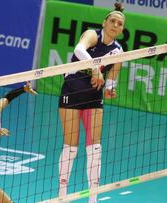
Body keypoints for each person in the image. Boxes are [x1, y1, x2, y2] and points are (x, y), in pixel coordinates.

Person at [57, 3, 125, 203]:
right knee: (71, 146)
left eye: (119, 24)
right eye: (112, 21)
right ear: (104, 23)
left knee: (95, 146)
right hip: (72, 89)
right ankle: (62, 196)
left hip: (94, 95)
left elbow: (113, 75)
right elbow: (79, 49)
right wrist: (95, 68)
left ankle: (93, 199)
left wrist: (111, 88)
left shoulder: (118, 51)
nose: (115, 25)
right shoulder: (92, 35)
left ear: (122, 30)